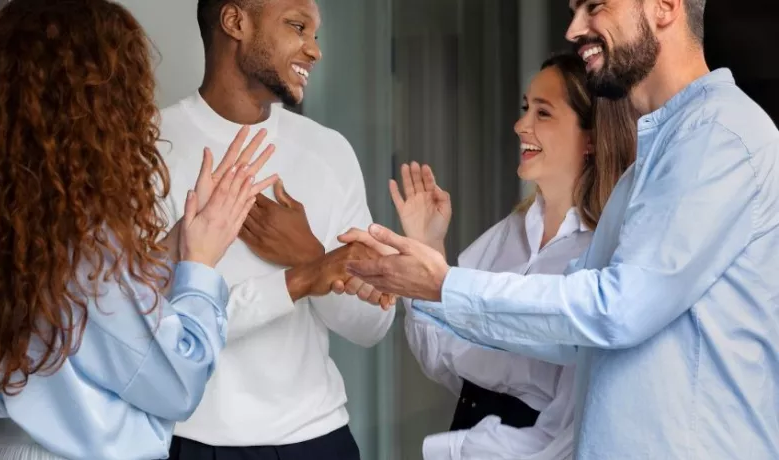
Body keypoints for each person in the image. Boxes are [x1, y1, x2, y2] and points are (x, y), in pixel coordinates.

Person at [341, 0, 779, 457]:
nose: (573, 29)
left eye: (595, 7)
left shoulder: (720, 137)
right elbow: (568, 334)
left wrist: (442, 286)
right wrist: (422, 289)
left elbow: (614, 310)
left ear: (664, 7)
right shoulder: (650, 164)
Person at [0, 0, 278, 459]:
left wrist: (179, 242)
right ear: (100, 107)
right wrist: (200, 265)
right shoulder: (86, 244)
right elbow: (176, 381)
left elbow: (91, 332)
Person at [157, 0, 396, 459]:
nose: (314, 50)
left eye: (316, 33)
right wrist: (301, 278)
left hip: (319, 439)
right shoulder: (152, 146)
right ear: (235, 21)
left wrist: (309, 254)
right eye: (297, 26)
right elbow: (147, 326)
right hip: (190, 441)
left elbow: (372, 327)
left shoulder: (329, 152)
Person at [383, 53, 636, 459]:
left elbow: (569, 435)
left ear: (591, 138)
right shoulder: (508, 233)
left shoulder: (607, 254)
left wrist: (456, 450)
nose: (521, 125)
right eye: (525, 108)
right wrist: (429, 247)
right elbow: (444, 361)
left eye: (543, 113)